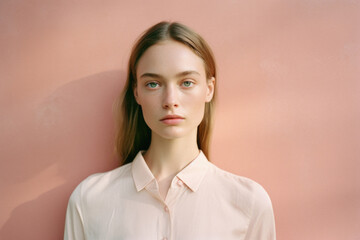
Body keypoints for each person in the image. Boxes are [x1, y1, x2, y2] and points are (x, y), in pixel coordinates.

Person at [64, 21, 276, 240]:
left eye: (186, 82)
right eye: (153, 84)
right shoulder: (89, 199)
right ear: (137, 92)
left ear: (209, 89)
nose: (170, 101)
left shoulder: (249, 204)